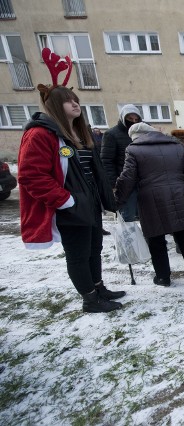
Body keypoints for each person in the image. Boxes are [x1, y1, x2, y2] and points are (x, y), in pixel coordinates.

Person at [18, 48, 124, 313]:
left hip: (90, 204)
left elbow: (92, 171)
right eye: (69, 101)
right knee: (78, 254)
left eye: (76, 100)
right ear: (55, 104)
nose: (76, 104)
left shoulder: (77, 135)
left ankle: (99, 287)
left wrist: (105, 197)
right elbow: (31, 176)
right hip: (72, 207)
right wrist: (66, 201)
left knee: (94, 249)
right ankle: (90, 299)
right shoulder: (41, 135)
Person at [114, 123, 184, 286]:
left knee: (156, 239)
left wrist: (118, 199)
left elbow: (127, 178)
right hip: (180, 195)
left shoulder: (133, 149)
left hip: (150, 199)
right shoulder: (178, 147)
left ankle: (163, 277)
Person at [101, 104, 142, 222]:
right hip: (125, 182)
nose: (134, 122)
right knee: (127, 216)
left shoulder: (142, 131)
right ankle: (128, 239)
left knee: (146, 215)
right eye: (130, 119)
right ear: (123, 118)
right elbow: (106, 161)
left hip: (144, 180)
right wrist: (113, 184)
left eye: (136, 119)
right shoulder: (111, 134)